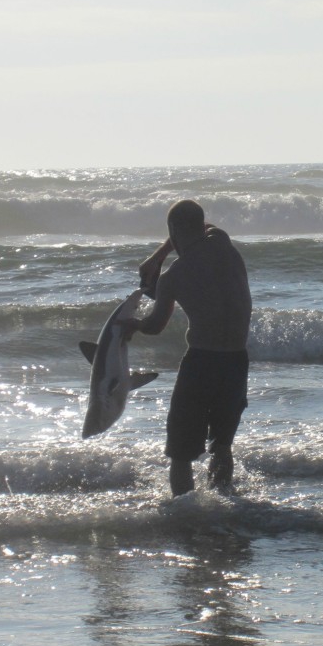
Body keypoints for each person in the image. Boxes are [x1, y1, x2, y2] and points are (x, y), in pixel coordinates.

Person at [124, 200, 252, 497]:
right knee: (222, 445)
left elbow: (156, 325)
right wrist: (160, 254)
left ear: (172, 230)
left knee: (181, 453)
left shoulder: (173, 277)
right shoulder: (222, 242)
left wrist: (135, 325)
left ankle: (185, 513)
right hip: (236, 361)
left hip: (201, 364)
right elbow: (202, 229)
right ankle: (225, 504)